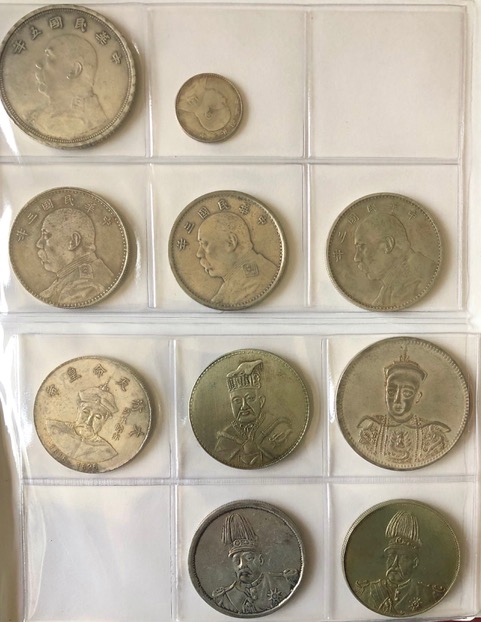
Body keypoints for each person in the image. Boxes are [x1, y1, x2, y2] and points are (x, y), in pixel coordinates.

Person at [357, 351, 451, 466]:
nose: (397, 400)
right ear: (385, 393)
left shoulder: (431, 433)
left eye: (407, 393)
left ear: (417, 396)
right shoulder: (371, 428)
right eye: (391, 391)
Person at [355, 510, 446, 615]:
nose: (394, 564)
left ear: (415, 562)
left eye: (403, 558)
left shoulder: (430, 595)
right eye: (391, 556)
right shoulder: (366, 591)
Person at [212, 512, 299, 614]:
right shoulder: (224, 599)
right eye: (237, 561)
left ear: (260, 560)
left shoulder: (284, 583)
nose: (242, 565)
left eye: (249, 558)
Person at [214, 360, 293, 467]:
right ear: (231, 405)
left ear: (261, 401)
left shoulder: (279, 428)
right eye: (237, 400)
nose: (244, 406)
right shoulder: (225, 437)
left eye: (250, 398)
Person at [30, 34, 107, 138]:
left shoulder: (95, 124)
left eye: (49, 56)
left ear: (75, 70)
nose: (38, 64)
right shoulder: (38, 119)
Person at [353, 212, 437, 307]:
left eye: (362, 247)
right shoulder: (389, 290)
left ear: (387, 245)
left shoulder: (424, 279)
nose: (356, 258)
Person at [196, 212, 278, 306]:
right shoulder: (236, 280)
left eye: (205, 244)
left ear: (230, 242)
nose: (199, 254)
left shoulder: (252, 285)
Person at [36, 207, 114, 305]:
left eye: (46, 235)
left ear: (73, 241)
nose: (38, 243)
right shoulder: (68, 277)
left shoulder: (83, 287)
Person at [46, 384, 118, 463]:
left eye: (97, 417)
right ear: (78, 409)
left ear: (105, 421)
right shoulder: (54, 429)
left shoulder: (106, 452)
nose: (88, 422)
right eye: (85, 412)